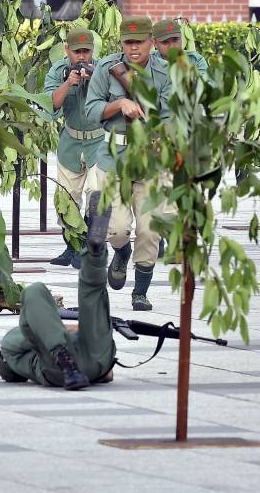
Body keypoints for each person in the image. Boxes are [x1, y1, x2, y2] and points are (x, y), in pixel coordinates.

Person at [84, 16, 175, 311]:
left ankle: (141, 291)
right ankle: (121, 253)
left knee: (149, 231)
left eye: (140, 42)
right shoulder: (106, 68)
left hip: (151, 160)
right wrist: (120, 104)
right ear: (121, 43)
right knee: (117, 229)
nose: (134, 48)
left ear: (151, 41)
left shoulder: (164, 72)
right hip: (115, 159)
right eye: (128, 43)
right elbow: (91, 110)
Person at [0, 191, 117, 390]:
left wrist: (57, 331)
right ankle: (95, 252)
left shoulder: (18, 357)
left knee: (91, 294)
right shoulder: (11, 354)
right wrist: (62, 330)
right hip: (91, 359)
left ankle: (63, 356)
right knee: (83, 293)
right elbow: (13, 341)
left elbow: (19, 339)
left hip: (89, 366)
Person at [43, 29, 104, 269]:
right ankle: (71, 247)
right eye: (76, 51)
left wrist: (94, 80)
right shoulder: (58, 71)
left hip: (97, 141)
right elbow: (51, 105)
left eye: (86, 51)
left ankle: (89, 248)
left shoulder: (102, 69)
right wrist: (68, 83)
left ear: (92, 51)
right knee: (65, 198)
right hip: (70, 140)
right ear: (66, 49)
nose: (81, 56)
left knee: (96, 194)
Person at [150, 19, 208, 86]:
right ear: (155, 43)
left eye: (175, 40)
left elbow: (206, 86)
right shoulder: (147, 61)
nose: (172, 46)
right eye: (165, 42)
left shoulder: (195, 59)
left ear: (181, 38)